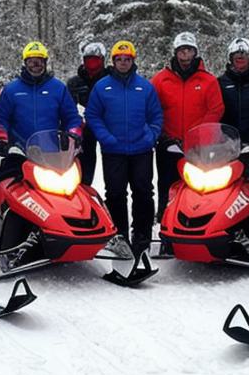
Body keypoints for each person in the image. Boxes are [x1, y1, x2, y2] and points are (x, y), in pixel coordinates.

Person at [84, 41, 163, 254]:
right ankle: (119, 237)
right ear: (113, 61)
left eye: (127, 59)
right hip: (113, 151)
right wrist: (105, 137)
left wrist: (151, 135)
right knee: (116, 194)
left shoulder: (145, 87)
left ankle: (142, 236)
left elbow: (156, 115)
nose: (123, 63)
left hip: (141, 150)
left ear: (133, 61)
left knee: (144, 193)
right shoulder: (102, 87)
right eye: (119, 59)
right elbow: (93, 115)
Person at [151, 32, 224, 219]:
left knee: (199, 188)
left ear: (195, 53)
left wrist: (200, 136)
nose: (185, 56)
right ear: (175, 53)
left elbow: (215, 109)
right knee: (168, 188)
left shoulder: (208, 80)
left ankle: (198, 225)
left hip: (198, 147)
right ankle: (166, 227)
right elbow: (151, 108)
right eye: (181, 51)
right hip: (169, 145)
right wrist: (161, 135)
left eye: (189, 51)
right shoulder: (160, 80)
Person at [0, 41, 84, 180]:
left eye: (39, 61)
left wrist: (73, 133)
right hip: (19, 152)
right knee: (2, 185)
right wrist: (2, 137)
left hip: (51, 153)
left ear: (45, 63)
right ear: (25, 63)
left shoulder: (58, 88)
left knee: (63, 192)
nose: (35, 66)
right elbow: (0, 116)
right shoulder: (12, 90)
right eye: (31, 62)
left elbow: (71, 117)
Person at [66, 42, 108, 185]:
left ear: (102, 60)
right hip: (82, 130)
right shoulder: (75, 82)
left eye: (96, 60)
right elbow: (67, 107)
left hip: (108, 127)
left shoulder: (110, 79)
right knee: (83, 170)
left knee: (114, 172)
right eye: (88, 60)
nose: (92, 64)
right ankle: (83, 190)